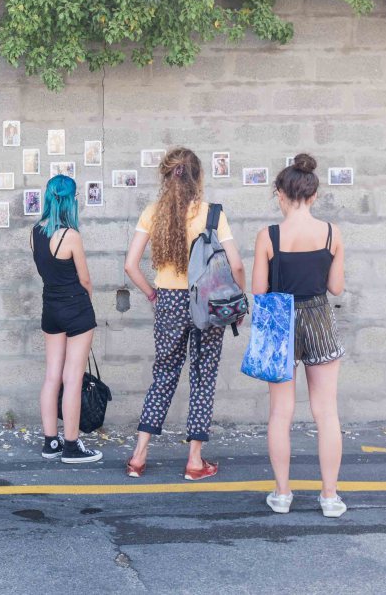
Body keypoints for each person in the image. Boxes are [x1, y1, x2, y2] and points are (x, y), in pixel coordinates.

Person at [124, 147, 245, 480]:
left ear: (166, 176)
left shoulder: (153, 213)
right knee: (203, 376)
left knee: (164, 374)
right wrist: (238, 302)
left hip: (169, 302)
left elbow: (130, 265)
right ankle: (194, 461)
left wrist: (152, 293)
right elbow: (235, 264)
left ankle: (139, 456)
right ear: (198, 177)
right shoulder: (212, 214)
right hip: (207, 303)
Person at [252, 154, 347, 517]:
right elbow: (336, 287)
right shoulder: (332, 233)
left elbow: (259, 291)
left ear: (279, 193)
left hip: (280, 323)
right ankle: (329, 497)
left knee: (281, 412)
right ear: (314, 195)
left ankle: (282, 495)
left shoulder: (268, 236)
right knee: (326, 412)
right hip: (320, 317)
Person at [30, 175, 102, 464]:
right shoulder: (71, 236)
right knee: (72, 379)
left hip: (51, 308)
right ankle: (72, 446)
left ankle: (51, 442)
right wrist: (87, 301)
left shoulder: (35, 232)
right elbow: (85, 279)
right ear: (70, 201)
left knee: (52, 376)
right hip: (76, 308)